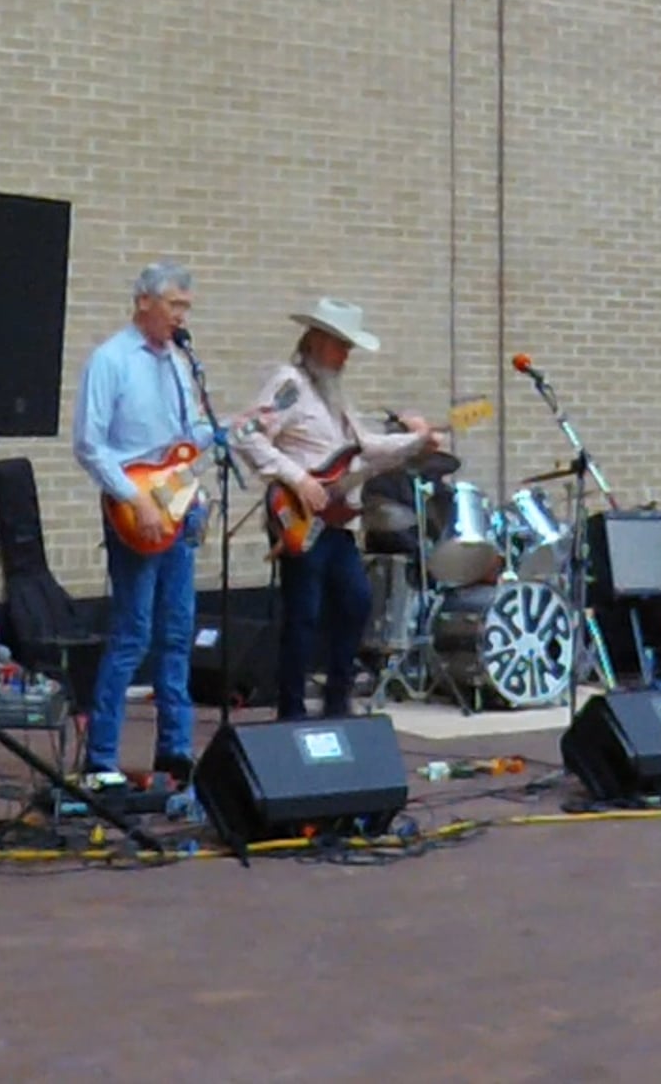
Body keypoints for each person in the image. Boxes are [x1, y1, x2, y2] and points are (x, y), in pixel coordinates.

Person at [234, 298, 444, 721]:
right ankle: (291, 708)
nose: (345, 356)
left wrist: (417, 442)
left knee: (355, 602)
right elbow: (246, 433)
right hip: (298, 515)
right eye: (340, 346)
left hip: (336, 521)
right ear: (316, 341)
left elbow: (365, 448)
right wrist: (299, 479)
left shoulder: (335, 398)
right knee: (304, 612)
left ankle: (337, 701)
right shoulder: (289, 384)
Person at [72, 260, 211, 784]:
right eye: (174, 305)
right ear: (144, 302)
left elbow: (186, 440)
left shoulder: (178, 363)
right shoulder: (111, 360)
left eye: (186, 308)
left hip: (177, 508)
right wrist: (137, 498)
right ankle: (101, 756)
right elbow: (89, 444)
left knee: (177, 632)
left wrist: (236, 428)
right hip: (135, 510)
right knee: (133, 633)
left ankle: (175, 747)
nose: (181, 316)